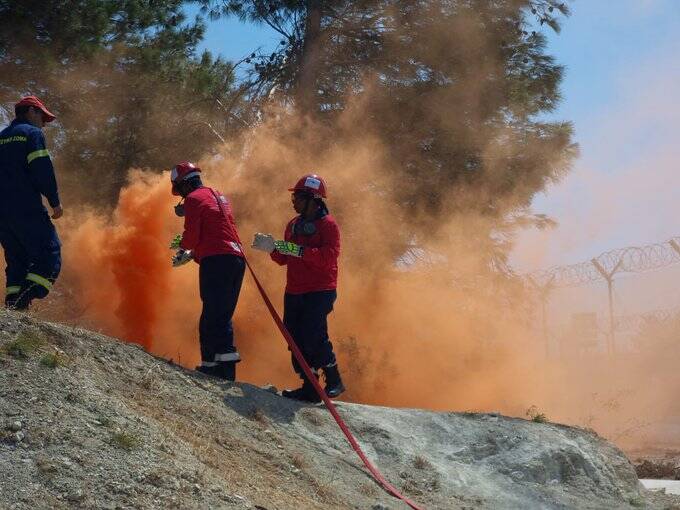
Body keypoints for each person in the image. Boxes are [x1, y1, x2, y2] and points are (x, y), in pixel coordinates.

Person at [251, 174, 345, 402]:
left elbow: (329, 257)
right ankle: (310, 386)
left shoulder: (328, 225)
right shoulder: (292, 226)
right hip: (294, 290)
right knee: (294, 337)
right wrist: (273, 248)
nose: (293, 201)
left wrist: (300, 251)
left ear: (313, 199)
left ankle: (334, 379)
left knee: (314, 333)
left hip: (320, 289)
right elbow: (283, 259)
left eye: (297, 197)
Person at [170, 161, 245, 381]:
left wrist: (184, 251)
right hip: (236, 260)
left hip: (218, 261)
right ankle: (214, 365)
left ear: (183, 185)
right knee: (219, 314)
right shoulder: (218, 195)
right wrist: (193, 254)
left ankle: (221, 370)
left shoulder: (193, 199)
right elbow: (215, 231)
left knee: (214, 315)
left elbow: (192, 235)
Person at [0, 95, 63, 310]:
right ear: (30, 112)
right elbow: (42, 169)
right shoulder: (31, 133)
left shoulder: (2, 137)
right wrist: (54, 201)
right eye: (43, 117)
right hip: (26, 208)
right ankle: (23, 299)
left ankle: (13, 309)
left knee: (18, 260)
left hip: (2, 215)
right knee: (49, 253)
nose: (44, 124)